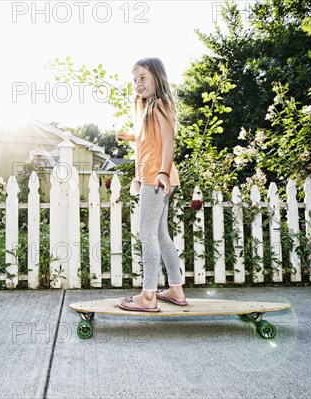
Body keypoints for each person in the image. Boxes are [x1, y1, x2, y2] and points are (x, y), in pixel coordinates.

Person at [115, 57, 187, 312]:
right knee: (160, 235)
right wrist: (131, 137)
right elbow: (152, 139)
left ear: (157, 76)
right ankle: (176, 288)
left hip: (156, 178)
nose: (138, 83)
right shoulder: (151, 107)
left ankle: (148, 296)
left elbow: (168, 142)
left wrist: (163, 173)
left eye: (143, 77)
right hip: (155, 176)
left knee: (147, 233)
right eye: (135, 79)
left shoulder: (161, 105)